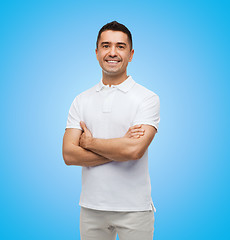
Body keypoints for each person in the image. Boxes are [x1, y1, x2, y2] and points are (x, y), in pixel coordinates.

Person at [62, 21, 160, 240]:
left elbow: (134, 151)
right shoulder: (81, 100)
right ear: (97, 53)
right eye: (106, 46)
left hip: (134, 209)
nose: (112, 52)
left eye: (120, 46)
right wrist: (119, 147)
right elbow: (68, 155)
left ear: (131, 54)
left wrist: (89, 143)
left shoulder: (147, 98)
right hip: (91, 208)